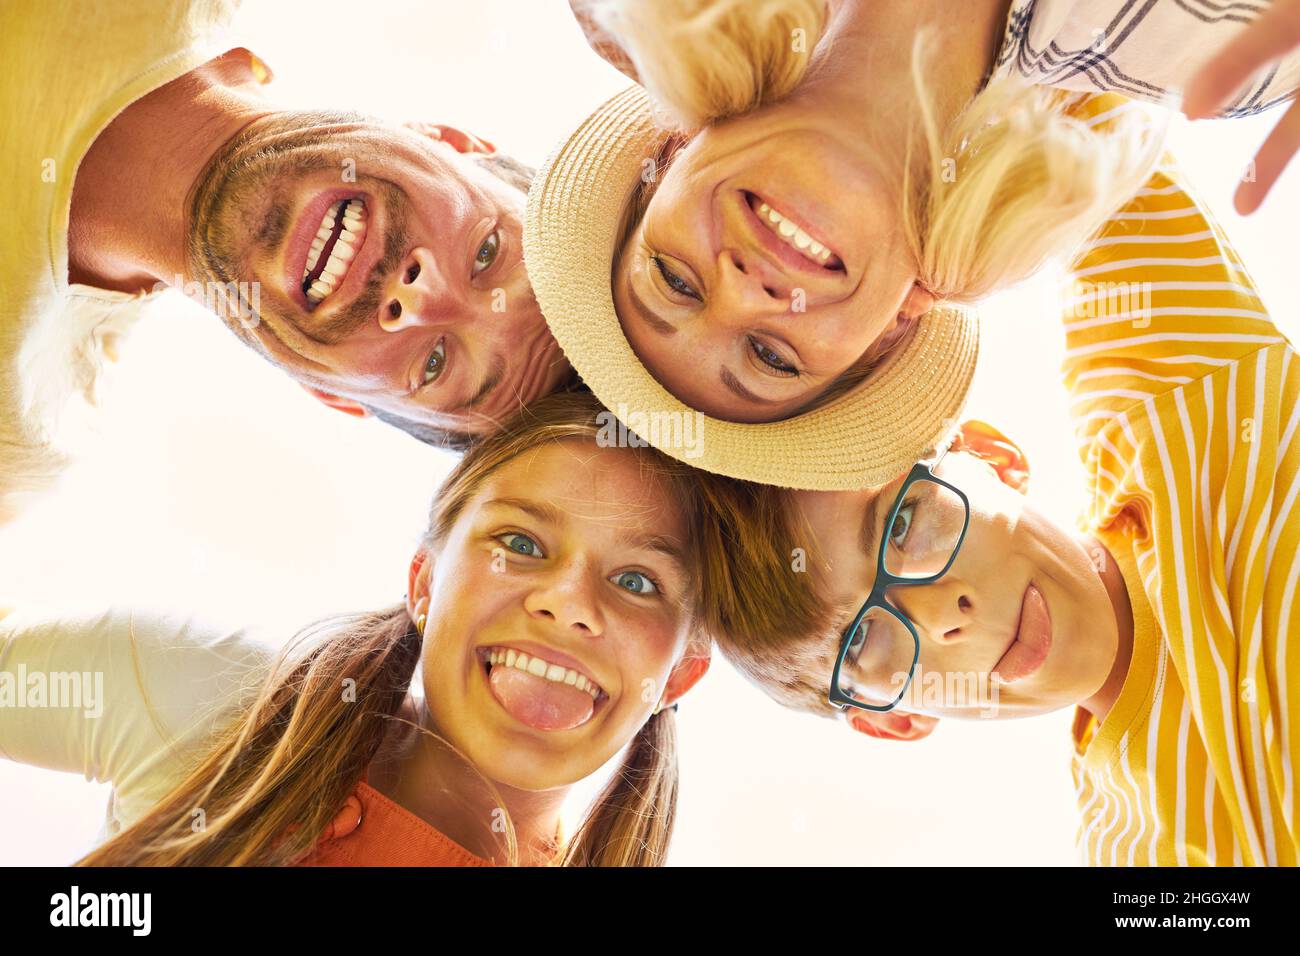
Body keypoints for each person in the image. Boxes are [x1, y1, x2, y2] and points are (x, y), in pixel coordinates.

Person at [700, 162, 1300, 866]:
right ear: (894, 721)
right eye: (866, 645)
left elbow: (1059, 122)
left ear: (989, 453)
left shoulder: (1174, 412)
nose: (940, 615)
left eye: (903, 527)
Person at [0, 391, 813, 866]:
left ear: (679, 676)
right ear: (424, 582)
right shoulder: (212, 715)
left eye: (637, 580)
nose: (569, 603)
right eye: (520, 543)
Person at [523, 0, 1300, 491]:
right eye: (772, 357)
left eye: (674, 281)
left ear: (668, 155)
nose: (743, 291)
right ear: (894, 322)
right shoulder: (1221, 55)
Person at [0, 0, 572, 528]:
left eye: (435, 364)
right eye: (487, 253)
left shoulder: (15, 442)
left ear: (327, 392)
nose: (421, 299)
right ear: (449, 141)